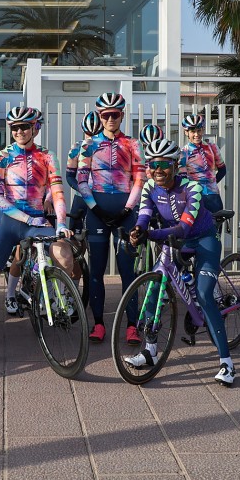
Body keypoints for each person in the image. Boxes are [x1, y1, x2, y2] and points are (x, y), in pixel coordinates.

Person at [0, 106, 73, 368]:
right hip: (9, 223)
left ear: (36, 127)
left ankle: (62, 298)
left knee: (64, 254)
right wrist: (28, 219)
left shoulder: (46, 155)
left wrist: (59, 223)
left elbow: (57, 190)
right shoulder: (2, 156)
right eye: (15, 127)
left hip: (36, 220)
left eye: (25, 126)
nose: (20, 131)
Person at [130, 139, 235, 386]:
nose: (158, 170)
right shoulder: (149, 188)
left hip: (202, 240)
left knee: (204, 295)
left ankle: (227, 363)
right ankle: (150, 350)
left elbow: (184, 227)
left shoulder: (192, 188)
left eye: (164, 164)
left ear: (176, 165)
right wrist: (137, 230)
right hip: (175, 242)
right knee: (154, 287)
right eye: (153, 164)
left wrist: (152, 235)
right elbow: (144, 214)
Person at [76, 92, 145, 344]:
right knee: (96, 271)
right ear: (100, 116)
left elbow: (139, 178)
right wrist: (95, 209)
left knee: (128, 271)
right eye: (105, 115)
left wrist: (127, 210)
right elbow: (81, 180)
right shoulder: (88, 145)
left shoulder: (134, 144)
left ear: (122, 115)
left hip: (125, 212)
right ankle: (98, 324)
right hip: (98, 213)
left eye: (115, 114)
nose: (110, 119)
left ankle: (131, 326)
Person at [178, 114, 227, 213]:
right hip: (195, 196)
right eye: (192, 131)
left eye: (199, 130)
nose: (196, 134)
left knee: (216, 226)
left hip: (213, 196)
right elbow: (182, 179)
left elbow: (223, 170)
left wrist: (212, 182)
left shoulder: (212, 147)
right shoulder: (183, 153)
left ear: (203, 130)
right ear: (186, 132)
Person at [64, 110, 99, 230]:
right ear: (84, 131)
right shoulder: (76, 148)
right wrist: (82, 189)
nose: (92, 138)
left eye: (96, 133)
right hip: (81, 195)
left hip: (101, 195)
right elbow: (69, 176)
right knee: (74, 230)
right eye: (89, 134)